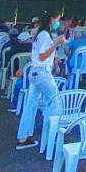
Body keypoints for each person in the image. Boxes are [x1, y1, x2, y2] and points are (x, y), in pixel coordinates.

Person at [17, 14, 66, 150]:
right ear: (51, 20)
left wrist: (53, 53)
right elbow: (42, 55)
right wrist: (57, 44)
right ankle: (52, 135)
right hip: (42, 72)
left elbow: (41, 53)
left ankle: (23, 136)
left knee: (31, 104)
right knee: (55, 101)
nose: (58, 22)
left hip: (35, 71)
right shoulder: (45, 35)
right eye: (56, 19)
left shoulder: (40, 34)